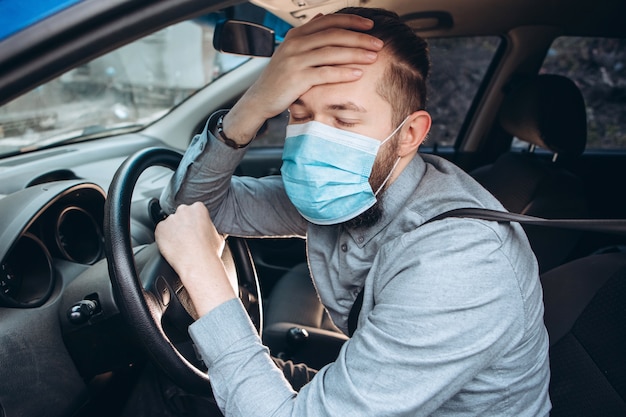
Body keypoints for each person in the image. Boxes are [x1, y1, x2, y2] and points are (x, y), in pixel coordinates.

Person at [154, 7, 551, 416]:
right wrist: (252, 105)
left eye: (343, 119)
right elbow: (191, 208)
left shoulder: (460, 262)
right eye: (300, 114)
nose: (313, 141)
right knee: (168, 389)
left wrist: (207, 281)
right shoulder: (344, 190)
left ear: (409, 134)